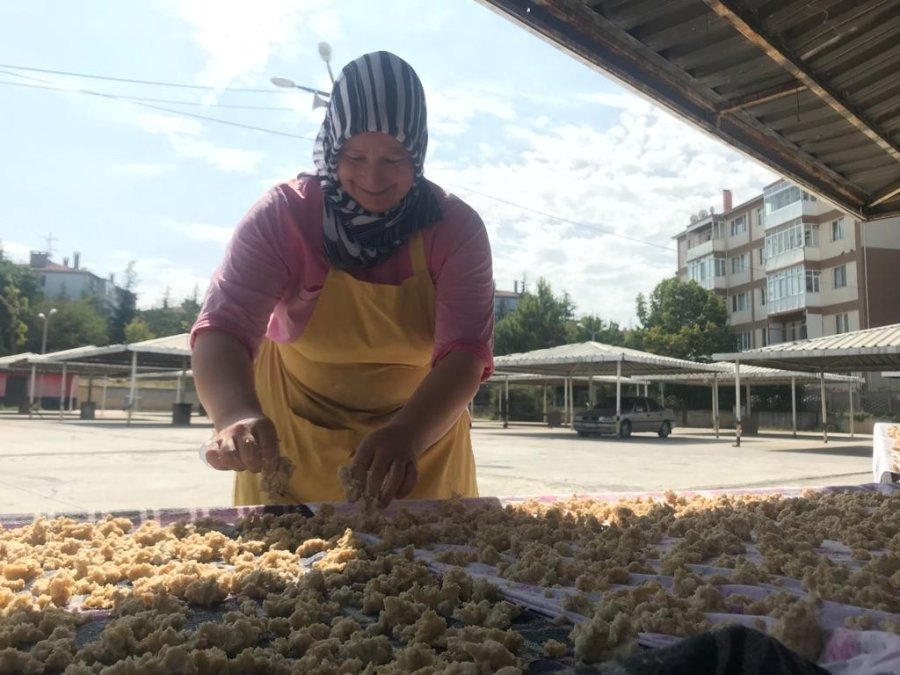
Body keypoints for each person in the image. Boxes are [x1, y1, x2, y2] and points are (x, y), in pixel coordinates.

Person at [190, 51, 494, 508]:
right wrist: (234, 413)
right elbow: (224, 327)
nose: (372, 177)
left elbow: (466, 355)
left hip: (421, 441)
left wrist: (408, 435)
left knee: (433, 572)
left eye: (394, 158)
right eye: (355, 155)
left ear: (418, 152)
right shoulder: (284, 216)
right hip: (291, 439)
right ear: (333, 147)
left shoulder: (454, 228)